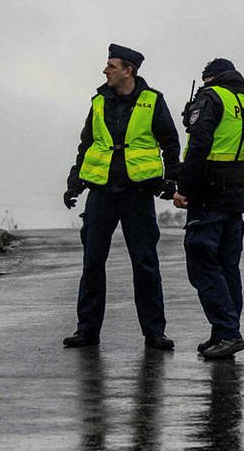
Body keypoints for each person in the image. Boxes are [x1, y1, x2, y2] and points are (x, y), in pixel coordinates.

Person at [62, 43, 181, 350]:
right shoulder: (99, 101)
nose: (106, 71)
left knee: (145, 263)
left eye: (111, 66)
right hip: (101, 192)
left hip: (137, 193)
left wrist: (170, 179)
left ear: (128, 70)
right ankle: (87, 330)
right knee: (92, 262)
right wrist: (75, 182)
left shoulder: (153, 101)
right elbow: (87, 144)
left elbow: (170, 142)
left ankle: (154, 332)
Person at [173, 58, 244, 360]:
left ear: (210, 78)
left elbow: (199, 145)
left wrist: (183, 188)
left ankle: (228, 333)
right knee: (227, 266)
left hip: (208, 192)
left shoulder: (210, 97)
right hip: (237, 191)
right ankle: (222, 331)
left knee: (202, 262)